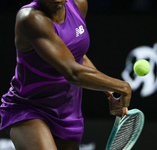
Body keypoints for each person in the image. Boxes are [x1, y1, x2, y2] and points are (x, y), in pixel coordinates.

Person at [0, 0, 132, 149]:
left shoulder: (79, 4)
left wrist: (109, 90)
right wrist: (122, 86)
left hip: (68, 112)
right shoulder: (30, 18)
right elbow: (73, 72)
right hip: (30, 108)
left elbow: (76, 57)